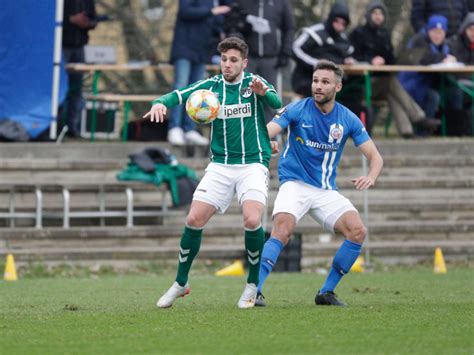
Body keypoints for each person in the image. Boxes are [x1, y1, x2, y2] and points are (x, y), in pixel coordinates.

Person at [143, 36, 282, 309]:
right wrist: (160, 102)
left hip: (252, 163)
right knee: (194, 218)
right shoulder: (210, 87)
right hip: (220, 164)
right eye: (224, 59)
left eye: (233, 60)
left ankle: (252, 285)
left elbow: (276, 102)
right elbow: (178, 95)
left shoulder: (254, 83)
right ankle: (181, 282)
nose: (227, 65)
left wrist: (263, 92)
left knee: (253, 220)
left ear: (244, 62)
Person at [254, 60, 383, 307]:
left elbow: (375, 157)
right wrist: (265, 142)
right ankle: (254, 290)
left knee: (358, 231)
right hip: (294, 183)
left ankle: (326, 292)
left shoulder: (348, 119)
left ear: (338, 86)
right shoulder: (296, 109)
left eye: (325, 82)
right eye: (315, 81)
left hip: (325, 190)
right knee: (282, 231)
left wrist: (371, 176)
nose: (318, 86)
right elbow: (265, 132)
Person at [349, 1, 441, 137]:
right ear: (368, 15)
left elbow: (391, 59)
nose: (378, 16)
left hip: (382, 85)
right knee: (391, 82)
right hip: (363, 84)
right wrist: (370, 61)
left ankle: (407, 131)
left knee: (391, 91)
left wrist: (390, 60)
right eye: (375, 13)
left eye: (381, 13)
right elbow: (352, 56)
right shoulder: (357, 34)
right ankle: (419, 117)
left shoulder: (385, 35)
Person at [167, 0, 231, 146]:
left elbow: (213, 22)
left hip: (201, 50)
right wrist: (212, 12)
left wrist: (221, 31)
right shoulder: (209, 6)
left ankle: (189, 128)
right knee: (181, 86)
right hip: (184, 47)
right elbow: (185, 12)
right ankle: (175, 127)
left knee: (197, 90)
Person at [228, 0, 295, 122]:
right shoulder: (243, 2)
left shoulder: (281, 3)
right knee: (244, 98)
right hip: (248, 58)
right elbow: (233, 23)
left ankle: (270, 135)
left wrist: (286, 52)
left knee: (270, 98)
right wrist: (243, 27)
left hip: (272, 60)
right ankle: (245, 134)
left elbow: (289, 28)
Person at [399, 15, 460, 123]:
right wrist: (444, 57)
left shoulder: (445, 45)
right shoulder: (419, 40)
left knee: (455, 92)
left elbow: (453, 56)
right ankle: (423, 130)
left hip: (431, 82)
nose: (437, 36)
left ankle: (452, 129)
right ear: (428, 31)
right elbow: (424, 58)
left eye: (441, 32)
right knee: (433, 96)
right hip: (413, 83)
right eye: (434, 31)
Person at [291, 1, 356, 98]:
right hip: (306, 78)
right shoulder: (316, 32)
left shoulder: (343, 39)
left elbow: (349, 54)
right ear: (331, 19)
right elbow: (295, 49)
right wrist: (316, 63)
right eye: (336, 21)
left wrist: (348, 60)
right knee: (322, 92)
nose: (339, 25)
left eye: (343, 23)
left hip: (332, 81)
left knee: (352, 92)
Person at [62, 0, 97, 137]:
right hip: (63, 46)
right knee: (60, 88)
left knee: (76, 88)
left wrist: (88, 23)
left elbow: (94, 19)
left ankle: (72, 127)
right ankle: (58, 125)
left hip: (80, 47)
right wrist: (71, 19)